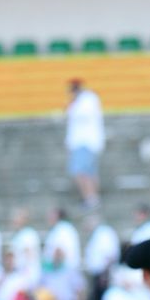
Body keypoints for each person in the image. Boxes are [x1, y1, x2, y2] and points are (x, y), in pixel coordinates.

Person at [65, 79, 105, 209]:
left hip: (85, 142)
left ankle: (91, 197)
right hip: (81, 142)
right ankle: (92, 198)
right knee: (87, 172)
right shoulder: (80, 101)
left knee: (81, 172)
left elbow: (81, 116)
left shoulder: (88, 100)